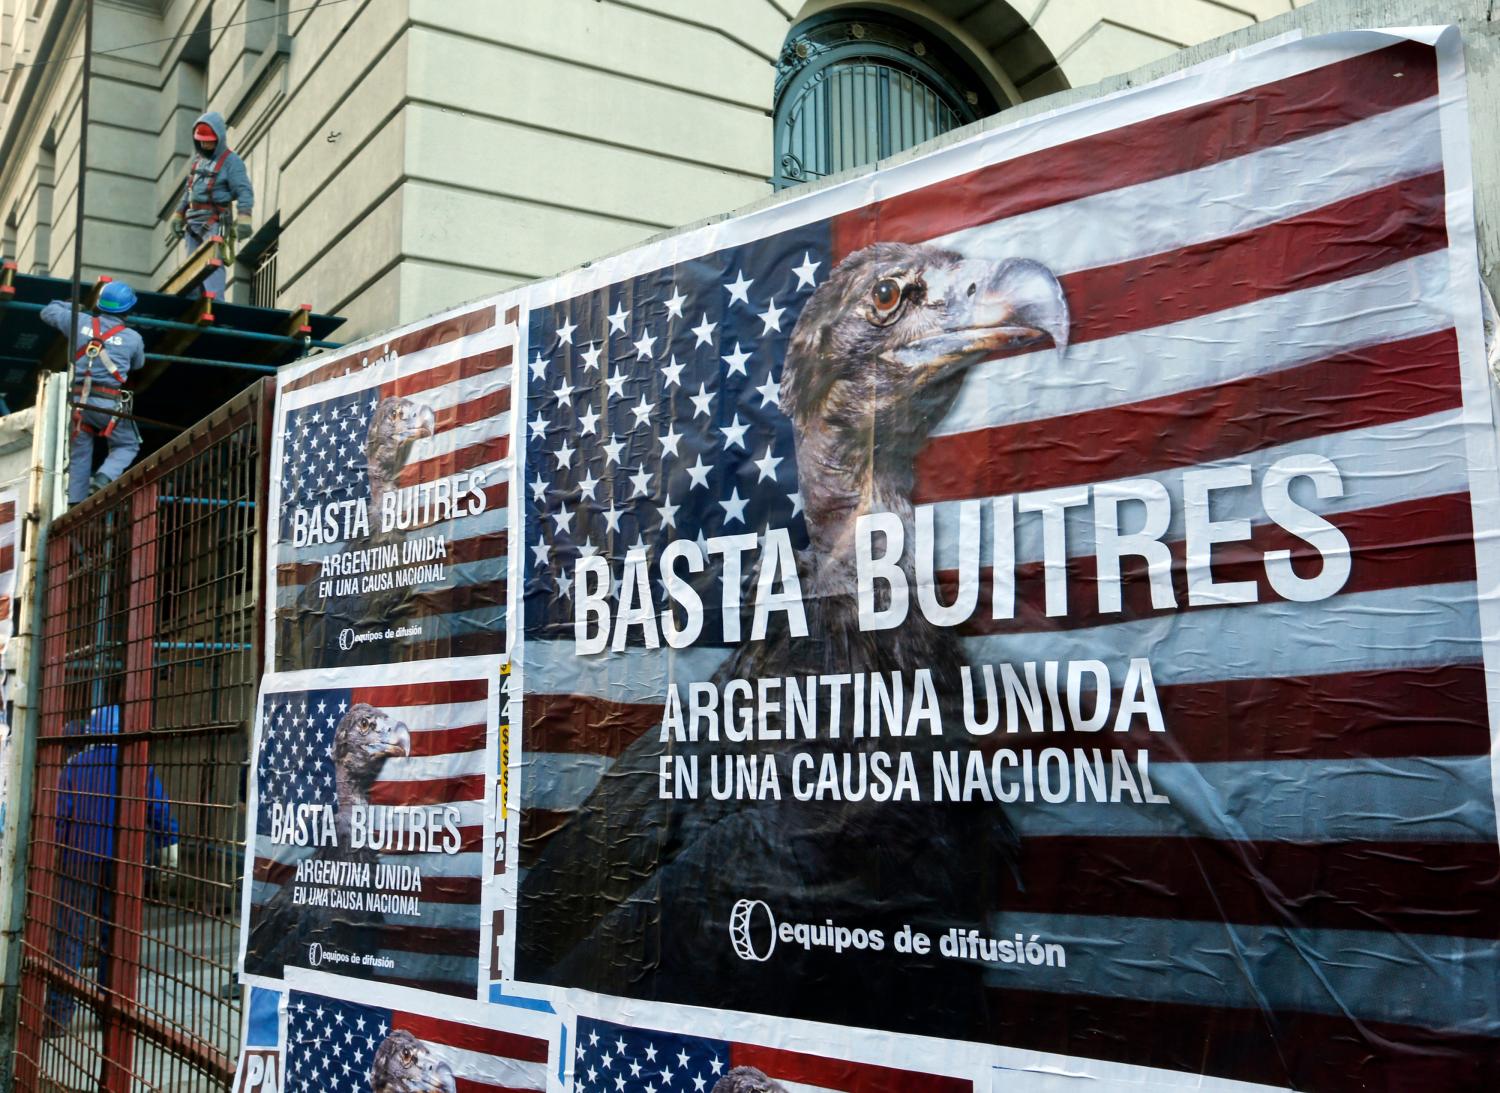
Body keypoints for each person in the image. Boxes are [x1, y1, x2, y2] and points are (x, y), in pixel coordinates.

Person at [45, 707, 179, 1033]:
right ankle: (112, 1014)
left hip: (79, 857)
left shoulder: (76, 765)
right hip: (123, 861)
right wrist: (169, 845)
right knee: (116, 937)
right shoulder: (137, 765)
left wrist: (55, 853)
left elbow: (60, 816)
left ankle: (57, 1016)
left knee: (69, 936)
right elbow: (158, 809)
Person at [39, 282, 144, 505]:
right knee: (128, 444)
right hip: (107, 404)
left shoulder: (79, 321)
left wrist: (71, 308)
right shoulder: (133, 338)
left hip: (76, 402)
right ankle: (103, 478)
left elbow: (47, 311)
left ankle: (74, 504)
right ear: (128, 309)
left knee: (79, 453)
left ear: (100, 304)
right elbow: (138, 364)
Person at [168, 111, 254, 298]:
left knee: (213, 265)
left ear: (219, 138)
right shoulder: (198, 162)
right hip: (192, 223)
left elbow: (244, 191)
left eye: (208, 141)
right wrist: (178, 214)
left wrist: (244, 218)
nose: (204, 145)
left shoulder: (232, 162)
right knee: (192, 269)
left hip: (214, 222)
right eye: (201, 141)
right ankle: (193, 305)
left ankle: (215, 303)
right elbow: (189, 191)